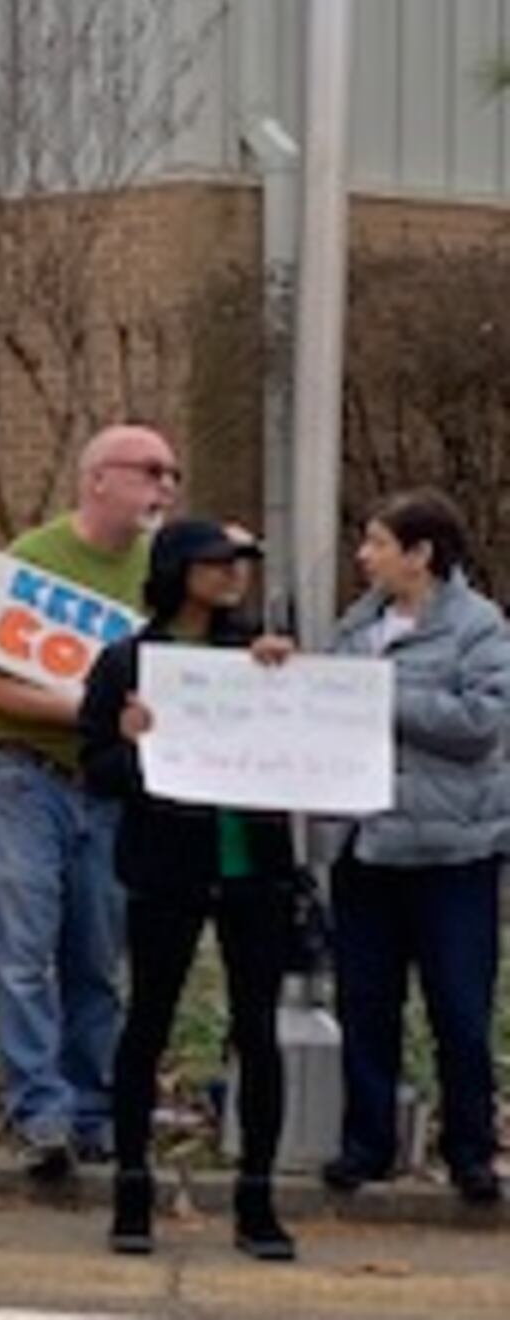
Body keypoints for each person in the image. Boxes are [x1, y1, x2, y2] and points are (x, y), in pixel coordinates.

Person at [78, 518, 300, 1262]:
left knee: (258, 1029)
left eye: (241, 562)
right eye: (217, 563)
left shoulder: (258, 655)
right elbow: (96, 766)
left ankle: (258, 1198)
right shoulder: (128, 661)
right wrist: (133, 743)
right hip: (168, 863)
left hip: (253, 867)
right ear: (179, 570)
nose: (234, 575)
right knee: (149, 1021)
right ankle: (132, 1192)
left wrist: (286, 676)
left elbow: (301, 735)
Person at [0, 423, 172, 1181]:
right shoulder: (33, 563)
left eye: (172, 474)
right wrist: (94, 711)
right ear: (99, 480)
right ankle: (39, 1112)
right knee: (22, 953)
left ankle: (94, 1111)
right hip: (24, 778)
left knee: (96, 957)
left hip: (111, 791)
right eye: (151, 470)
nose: (165, 486)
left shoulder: (163, 574)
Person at [318, 488, 510, 1205]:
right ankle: (366, 1146)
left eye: (377, 542)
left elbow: (481, 723)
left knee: (458, 1007)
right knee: (367, 1002)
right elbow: (325, 701)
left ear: (420, 554)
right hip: (366, 846)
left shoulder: (478, 627)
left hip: (452, 852)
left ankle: (470, 1151)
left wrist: (379, 693)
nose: (364, 556)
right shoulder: (357, 624)